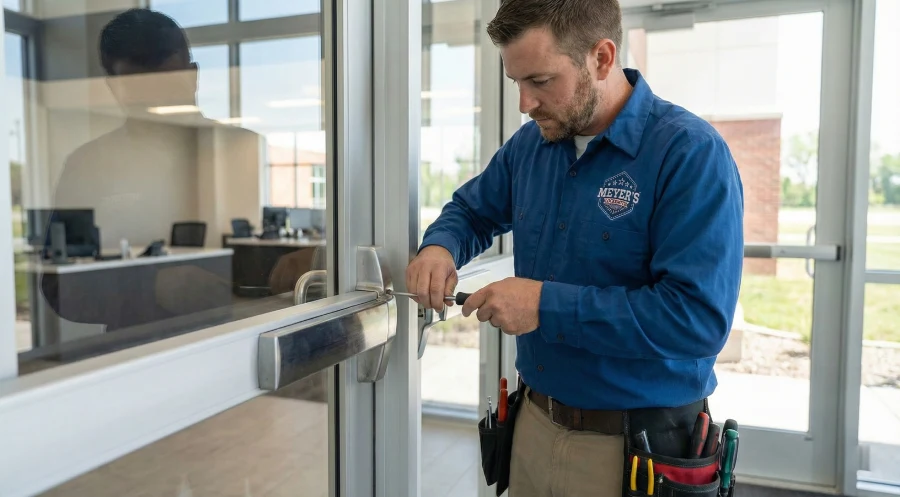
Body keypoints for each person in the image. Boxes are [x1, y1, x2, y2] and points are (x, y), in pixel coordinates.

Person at [405, 0, 744, 494]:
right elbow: (472, 211)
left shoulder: (689, 154)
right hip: (532, 427)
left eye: (540, 81)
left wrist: (546, 305)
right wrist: (439, 248)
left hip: (636, 449)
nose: (524, 103)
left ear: (602, 58)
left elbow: (696, 319)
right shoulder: (530, 148)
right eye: (516, 82)